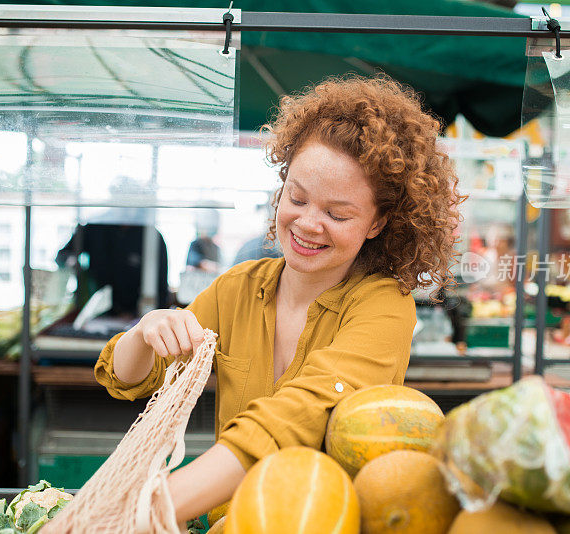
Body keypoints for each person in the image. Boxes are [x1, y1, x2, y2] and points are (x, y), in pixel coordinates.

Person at [94, 75, 462, 526]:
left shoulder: (384, 306)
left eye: (337, 213)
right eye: (297, 197)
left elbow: (296, 417)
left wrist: (140, 512)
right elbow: (127, 379)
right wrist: (146, 332)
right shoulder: (237, 289)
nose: (307, 223)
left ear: (377, 223)